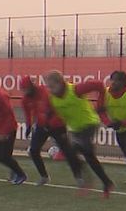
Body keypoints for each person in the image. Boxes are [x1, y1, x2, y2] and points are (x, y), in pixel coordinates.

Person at [42, 70, 114, 198]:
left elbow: (99, 85)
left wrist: (101, 104)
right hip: (75, 129)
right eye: (48, 87)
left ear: (61, 83)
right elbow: (49, 115)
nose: (50, 90)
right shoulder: (51, 99)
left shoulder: (76, 90)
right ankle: (107, 183)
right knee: (89, 157)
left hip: (89, 123)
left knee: (76, 149)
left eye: (52, 86)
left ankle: (87, 181)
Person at [20, 75, 82, 187]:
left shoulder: (44, 91)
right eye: (23, 89)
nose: (25, 91)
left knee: (67, 151)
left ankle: (78, 176)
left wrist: (50, 120)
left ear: (31, 85)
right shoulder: (25, 100)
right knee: (33, 150)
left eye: (26, 88)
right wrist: (28, 126)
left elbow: (54, 107)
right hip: (41, 126)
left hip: (57, 124)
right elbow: (28, 114)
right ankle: (44, 176)